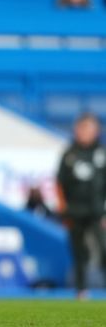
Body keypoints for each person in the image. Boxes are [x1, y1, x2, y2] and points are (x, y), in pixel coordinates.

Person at [56, 113, 106, 298]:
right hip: (75, 212)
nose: (85, 133)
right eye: (83, 128)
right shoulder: (69, 154)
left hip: (97, 213)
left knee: (104, 249)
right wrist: (64, 210)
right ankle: (81, 290)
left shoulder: (102, 153)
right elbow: (60, 184)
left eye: (89, 129)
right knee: (79, 252)